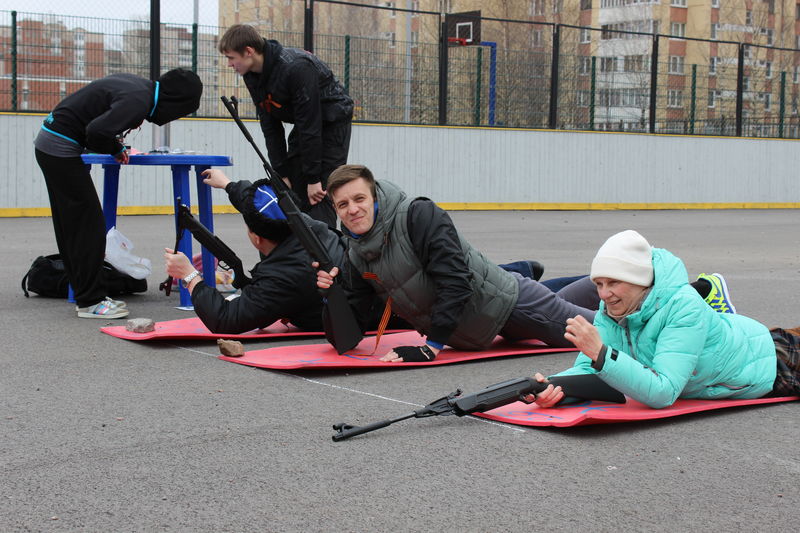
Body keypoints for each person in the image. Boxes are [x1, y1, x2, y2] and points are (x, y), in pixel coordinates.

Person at [164, 169, 548, 335]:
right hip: (393, 280)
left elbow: (227, 319)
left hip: (399, 309)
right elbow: (264, 204)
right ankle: (518, 271)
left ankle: (519, 275)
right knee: (497, 284)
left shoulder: (281, 277)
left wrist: (191, 276)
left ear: (255, 237)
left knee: (503, 299)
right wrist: (228, 184)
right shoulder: (305, 225)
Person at [315, 164, 604, 363]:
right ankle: (600, 283)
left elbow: (455, 280)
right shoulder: (355, 253)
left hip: (510, 305)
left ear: (375, 196)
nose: (353, 209)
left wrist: (432, 346)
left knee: (602, 335)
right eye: (343, 204)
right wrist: (331, 295)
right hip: (483, 327)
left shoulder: (417, 215)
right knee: (567, 304)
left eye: (359, 199)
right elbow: (348, 337)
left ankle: (621, 284)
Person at [530, 230, 799, 409]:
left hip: (772, 362)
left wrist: (601, 353)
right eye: (599, 284)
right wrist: (553, 386)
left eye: (613, 283)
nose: (603, 294)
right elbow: (590, 371)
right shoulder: (612, 309)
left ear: (639, 280)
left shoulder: (683, 306)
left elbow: (663, 391)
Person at [35, 69, 203, 319]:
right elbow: (97, 132)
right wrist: (115, 148)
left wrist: (113, 144)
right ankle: (91, 302)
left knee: (72, 226)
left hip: (50, 144)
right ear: (176, 101)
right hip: (60, 149)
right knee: (88, 227)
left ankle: (84, 294)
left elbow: (94, 118)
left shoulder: (139, 88)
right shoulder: (139, 100)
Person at [218, 24, 353, 228]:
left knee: (318, 194)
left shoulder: (296, 67)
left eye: (231, 57)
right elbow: (270, 125)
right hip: (305, 124)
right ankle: (298, 244)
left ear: (248, 51)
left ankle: (324, 244)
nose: (229, 64)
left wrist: (314, 179)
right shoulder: (252, 75)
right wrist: (281, 173)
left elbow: (310, 124)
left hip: (332, 121)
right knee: (293, 189)